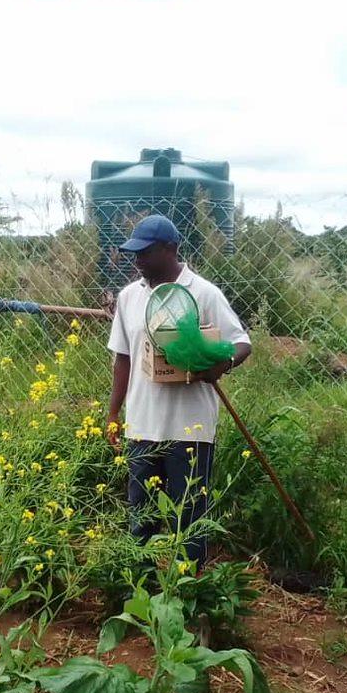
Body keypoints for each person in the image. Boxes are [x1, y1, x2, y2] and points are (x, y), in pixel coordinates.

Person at [106, 215, 252, 568]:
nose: (137, 260)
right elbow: (122, 358)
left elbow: (242, 343)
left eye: (145, 252)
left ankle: (190, 596)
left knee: (189, 520)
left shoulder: (203, 292)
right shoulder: (129, 297)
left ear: (170, 249)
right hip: (142, 425)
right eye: (134, 253)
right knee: (141, 519)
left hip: (191, 428)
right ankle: (141, 593)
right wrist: (113, 415)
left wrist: (221, 364)